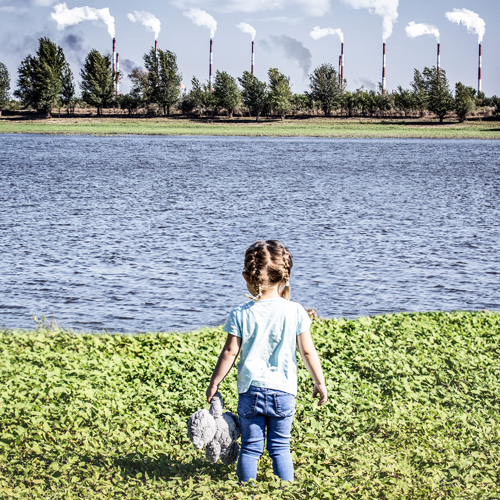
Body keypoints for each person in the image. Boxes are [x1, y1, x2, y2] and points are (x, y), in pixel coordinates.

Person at [206, 240, 327, 482]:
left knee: (251, 448)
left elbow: (230, 352)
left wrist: (215, 382)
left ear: (246, 277)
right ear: (285, 276)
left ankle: (245, 489)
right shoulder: (295, 312)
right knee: (280, 448)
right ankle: (285, 489)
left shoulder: (241, 313)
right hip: (283, 392)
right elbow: (308, 351)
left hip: (251, 392)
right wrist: (319, 382)